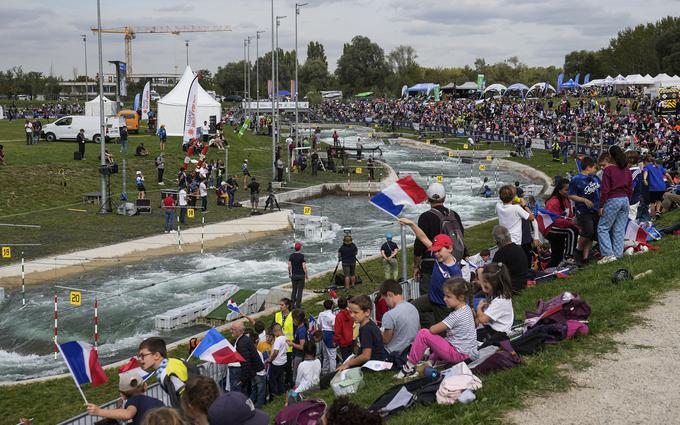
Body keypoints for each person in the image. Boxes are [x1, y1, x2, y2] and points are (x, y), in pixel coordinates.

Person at [395, 278, 478, 379]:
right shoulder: (467, 309)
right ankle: (430, 361)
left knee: (423, 334)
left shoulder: (456, 316)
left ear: (460, 297)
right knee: (442, 340)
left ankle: (409, 368)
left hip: (458, 355)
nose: (444, 299)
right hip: (467, 353)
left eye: (448, 296)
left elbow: (432, 330)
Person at [399, 217, 461, 328]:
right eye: (435, 250)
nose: (436, 254)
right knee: (411, 308)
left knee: (442, 333)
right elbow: (423, 238)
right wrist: (411, 224)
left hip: (443, 306)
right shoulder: (439, 257)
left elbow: (460, 295)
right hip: (430, 298)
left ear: (450, 248)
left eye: (439, 250)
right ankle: (429, 329)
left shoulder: (455, 272)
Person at [413, 183, 465, 296]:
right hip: (452, 264)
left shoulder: (426, 217)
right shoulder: (454, 215)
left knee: (430, 300)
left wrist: (416, 266)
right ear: (445, 197)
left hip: (431, 267)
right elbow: (461, 238)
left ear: (428, 199)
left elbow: (419, 244)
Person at [86, 371, 163, 425]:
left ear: (122, 394)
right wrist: (119, 407)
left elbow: (127, 415)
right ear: (145, 386)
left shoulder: (133, 401)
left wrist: (99, 411)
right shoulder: (158, 402)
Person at [597, 145, 632, 264]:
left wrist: (601, 205)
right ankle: (618, 254)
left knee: (603, 228)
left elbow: (605, 189)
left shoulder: (608, 170)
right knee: (619, 229)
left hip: (613, 199)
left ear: (610, 156)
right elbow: (630, 188)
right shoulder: (627, 170)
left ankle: (608, 254)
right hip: (625, 200)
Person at [137, 337, 192, 408]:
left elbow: (185, 398)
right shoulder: (175, 361)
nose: (139, 359)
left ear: (156, 355)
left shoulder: (165, 374)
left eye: (142, 356)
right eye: (139, 356)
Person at [336, 295, 385, 372]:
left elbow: (366, 356)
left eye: (355, 312)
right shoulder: (369, 323)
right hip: (379, 360)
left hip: (373, 364)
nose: (352, 315)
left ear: (367, 312)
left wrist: (348, 363)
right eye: (350, 312)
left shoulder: (366, 329)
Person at [379, 279, 420, 370]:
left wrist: (377, 332)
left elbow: (385, 340)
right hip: (411, 351)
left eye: (385, 299)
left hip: (393, 354)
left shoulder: (389, 314)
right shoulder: (413, 307)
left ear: (389, 294)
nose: (385, 303)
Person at [568, 156, 601, 265]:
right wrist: (583, 200)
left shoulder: (595, 178)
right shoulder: (576, 179)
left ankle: (586, 257)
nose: (596, 170)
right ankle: (578, 251)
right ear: (588, 167)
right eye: (594, 168)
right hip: (583, 210)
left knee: (592, 235)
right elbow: (571, 195)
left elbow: (600, 192)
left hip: (595, 209)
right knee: (588, 231)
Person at [542, 180, 580, 267]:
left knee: (557, 254)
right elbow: (555, 220)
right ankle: (568, 257)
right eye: (566, 190)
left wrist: (575, 223)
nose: (569, 191)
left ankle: (552, 267)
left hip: (560, 227)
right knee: (572, 231)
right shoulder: (553, 202)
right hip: (549, 228)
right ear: (559, 190)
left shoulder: (566, 199)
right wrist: (571, 223)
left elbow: (569, 215)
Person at [475, 263, 514, 341]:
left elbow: (482, 319)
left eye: (485, 282)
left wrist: (479, 308)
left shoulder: (499, 301)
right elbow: (484, 289)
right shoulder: (498, 292)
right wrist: (480, 271)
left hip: (498, 334)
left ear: (495, 283)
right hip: (492, 328)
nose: (483, 283)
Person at [491, 225, 528, 293]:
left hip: (510, 287)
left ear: (497, 241)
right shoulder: (519, 248)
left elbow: (493, 276)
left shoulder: (500, 253)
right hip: (523, 283)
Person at [230, 321, 264, 395]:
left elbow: (245, 361)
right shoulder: (244, 339)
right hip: (253, 371)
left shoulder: (242, 343)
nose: (231, 331)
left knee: (244, 392)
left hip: (249, 372)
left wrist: (243, 379)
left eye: (232, 329)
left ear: (238, 330)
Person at [288, 339, 321, 404]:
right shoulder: (318, 361)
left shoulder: (302, 364)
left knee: (290, 393)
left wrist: (295, 387)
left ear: (304, 351)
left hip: (303, 389)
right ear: (314, 351)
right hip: (315, 386)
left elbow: (297, 382)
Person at [274, 298, 294, 389]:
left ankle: (289, 384)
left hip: (288, 346)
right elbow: (273, 327)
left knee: (288, 367)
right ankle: (281, 386)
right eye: (280, 305)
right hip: (278, 346)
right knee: (279, 367)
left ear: (287, 306)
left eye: (282, 305)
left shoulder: (292, 315)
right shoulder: (277, 315)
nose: (280, 307)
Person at [265, 323, 287, 397]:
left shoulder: (278, 340)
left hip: (276, 363)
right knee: (280, 379)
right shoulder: (285, 337)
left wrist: (270, 359)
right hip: (283, 361)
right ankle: (282, 393)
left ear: (276, 331)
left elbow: (276, 352)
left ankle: (275, 396)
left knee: (273, 381)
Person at [287, 309, 309, 383]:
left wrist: (292, 344)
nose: (292, 321)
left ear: (296, 320)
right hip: (297, 354)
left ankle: (296, 390)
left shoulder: (301, 331)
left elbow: (302, 346)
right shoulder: (299, 328)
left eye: (293, 319)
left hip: (299, 356)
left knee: (296, 375)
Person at [317, 299, 337, 373]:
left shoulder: (321, 314)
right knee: (332, 356)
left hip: (323, 333)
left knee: (325, 354)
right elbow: (334, 328)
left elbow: (319, 325)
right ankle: (332, 372)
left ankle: (324, 370)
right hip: (330, 334)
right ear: (332, 306)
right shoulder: (333, 316)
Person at [333, 297, 354, 362]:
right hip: (350, 339)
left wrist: (335, 340)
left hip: (343, 341)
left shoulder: (339, 316)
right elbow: (352, 322)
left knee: (345, 361)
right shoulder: (350, 313)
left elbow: (337, 330)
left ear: (338, 305)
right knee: (351, 358)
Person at [288, 242, 308, 309]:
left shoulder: (291, 256)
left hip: (294, 275)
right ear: (300, 248)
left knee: (294, 290)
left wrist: (289, 273)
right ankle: (298, 306)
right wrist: (306, 274)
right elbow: (304, 266)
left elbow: (289, 266)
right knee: (300, 291)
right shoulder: (302, 256)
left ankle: (292, 305)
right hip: (301, 275)